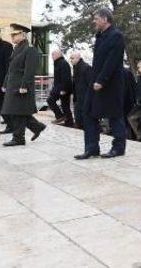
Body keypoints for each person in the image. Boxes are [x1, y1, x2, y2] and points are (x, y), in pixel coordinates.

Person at [75, 8, 127, 159]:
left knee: (114, 115)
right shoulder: (100, 36)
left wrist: (101, 80)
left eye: (96, 18)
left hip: (110, 84)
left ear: (105, 19)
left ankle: (118, 148)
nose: (94, 21)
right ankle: (91, 148)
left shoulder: (116, 36)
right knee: (88, 113)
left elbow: (112, 61)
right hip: (96, 81)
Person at [0, 24, 47, 146]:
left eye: (15, 34)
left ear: (23, 35)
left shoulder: (30, 49)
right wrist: (5, 83)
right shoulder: (17, 48)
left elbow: (29, 70)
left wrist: (24, 86)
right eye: (12, 34)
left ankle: (19, 138)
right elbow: (11, 69)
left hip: (21, 87)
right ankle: (37, 127)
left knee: (18, 112)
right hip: (13, 85)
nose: (12, 36)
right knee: (17, 112)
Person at [47, 49, 73, 126]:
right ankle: (69, 122)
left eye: (53, 54)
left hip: (63, 88)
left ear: (59, 54)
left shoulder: (63, 63)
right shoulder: (58, 63)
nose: (52, 56)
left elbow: (66, 78)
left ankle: (60, 116)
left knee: (50, 100)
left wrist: (64, 89)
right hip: (60, 87)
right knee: (65, 106)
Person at [0, 25, 13, 128]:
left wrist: (6, 83)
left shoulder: (7, 46)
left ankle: (12, 126)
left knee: (3, 107)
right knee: (1, 107)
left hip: (1, 83)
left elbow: (9, 67)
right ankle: (11, 126)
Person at [69, 51, 92, 129]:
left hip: (85, 98)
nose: (71, 60)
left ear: (78, 58)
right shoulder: (76, 67)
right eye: (70, 58)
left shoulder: (86, 68)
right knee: (78, 118)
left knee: (83, 119)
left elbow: (90, 84)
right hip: (78, 98)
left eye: (72, 58)